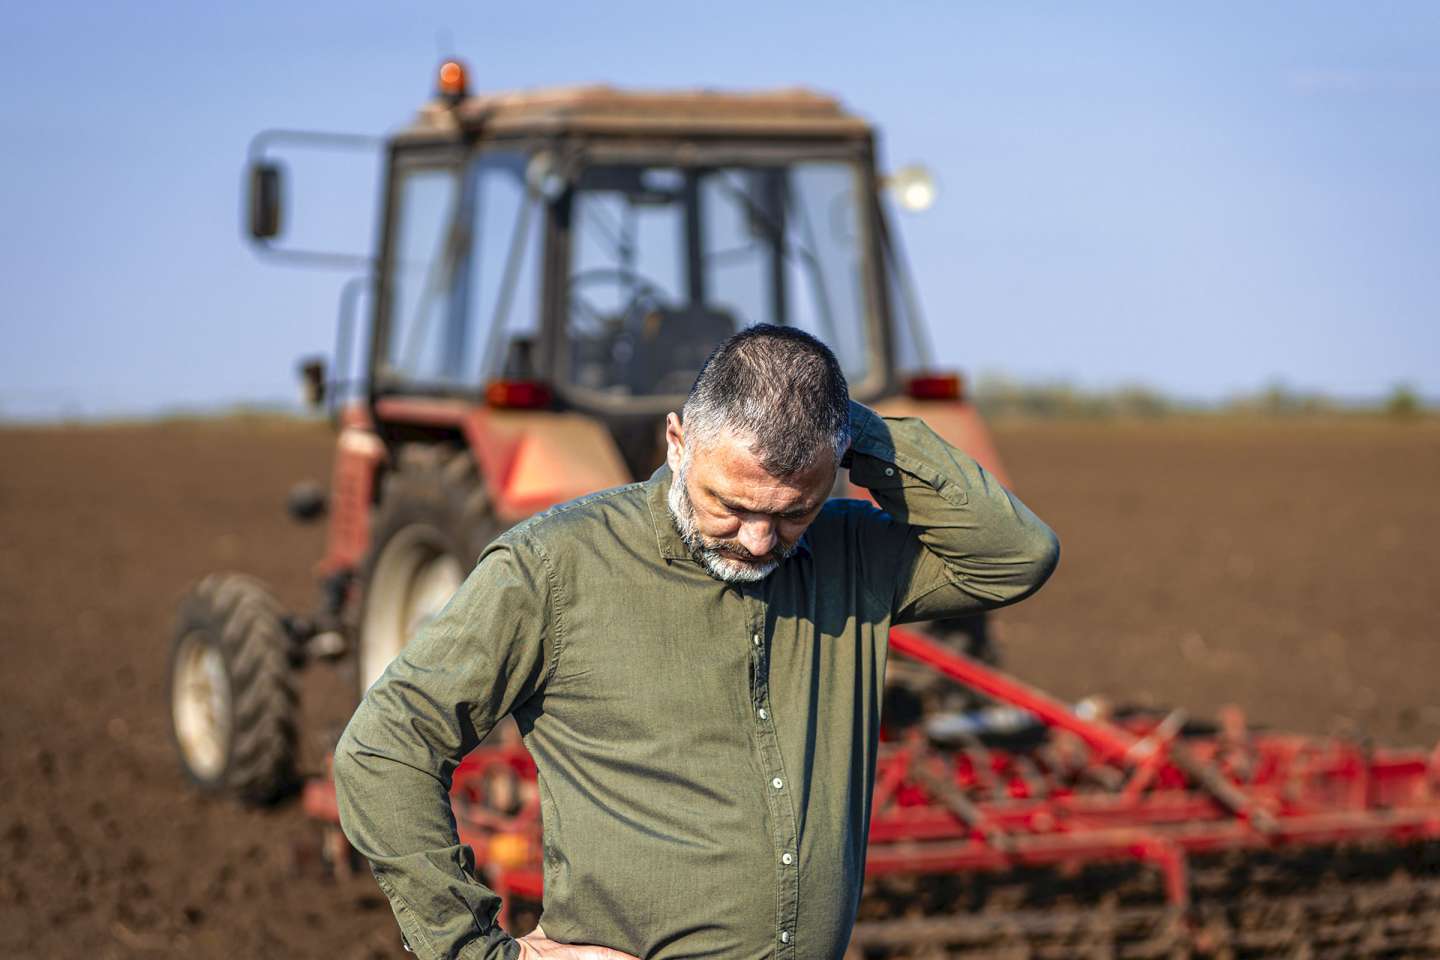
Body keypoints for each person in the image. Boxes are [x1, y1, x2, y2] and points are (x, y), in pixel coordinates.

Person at [334, 324, 1060, 960]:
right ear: (679, 442)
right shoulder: (555, 566)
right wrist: (474, 952)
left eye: (793, 513)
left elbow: (1014, 556)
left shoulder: (849, 558)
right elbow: (384, 746)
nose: (757, 540)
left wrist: (849, 427)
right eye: (731, 505)